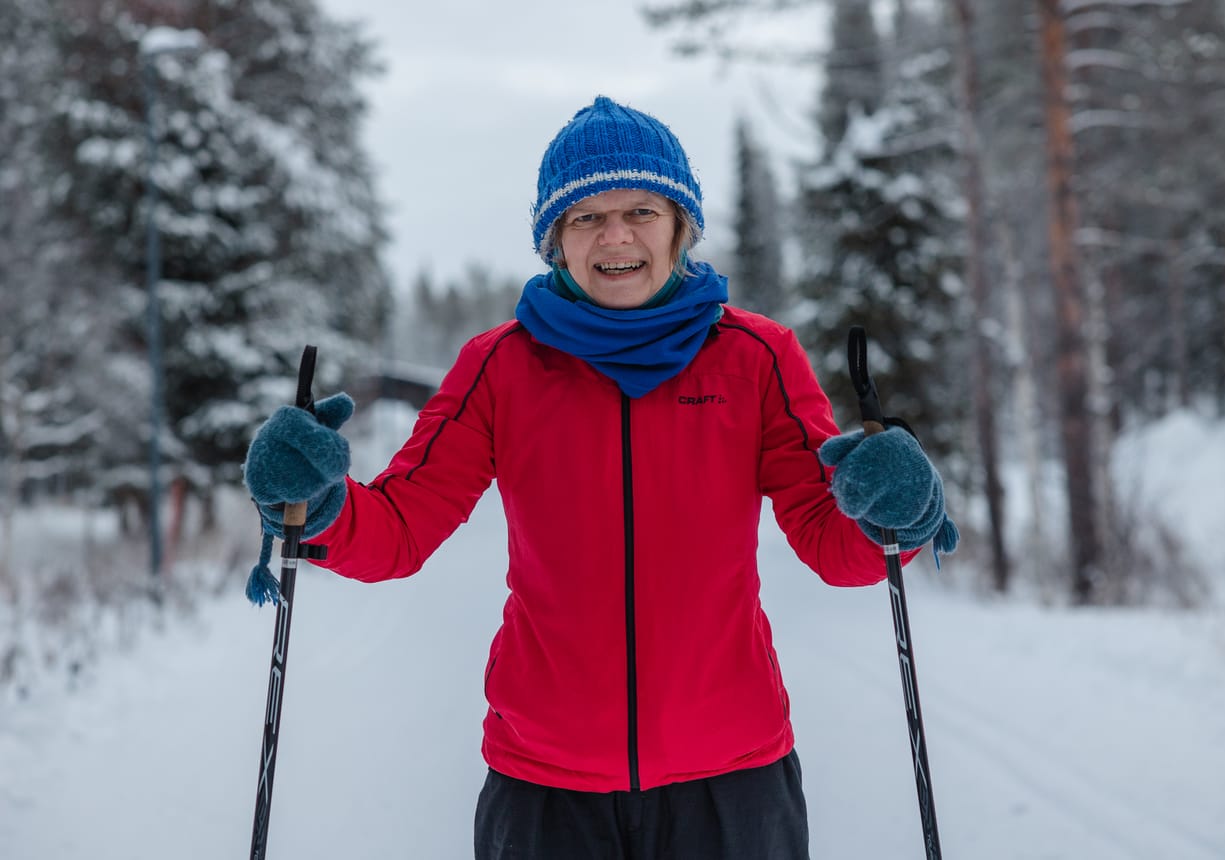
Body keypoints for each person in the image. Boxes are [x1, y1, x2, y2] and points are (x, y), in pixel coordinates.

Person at [242, 95, 957, 860]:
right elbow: (399, 528)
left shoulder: (757, 358)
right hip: (546, 788)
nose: (616, 236)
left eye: (641, 210)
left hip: (733, 782)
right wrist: (315, 502)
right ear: (555, 240)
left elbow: (836, 542)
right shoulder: (499, 366)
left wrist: (896, 509)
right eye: (586, 216)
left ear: (680, 226)